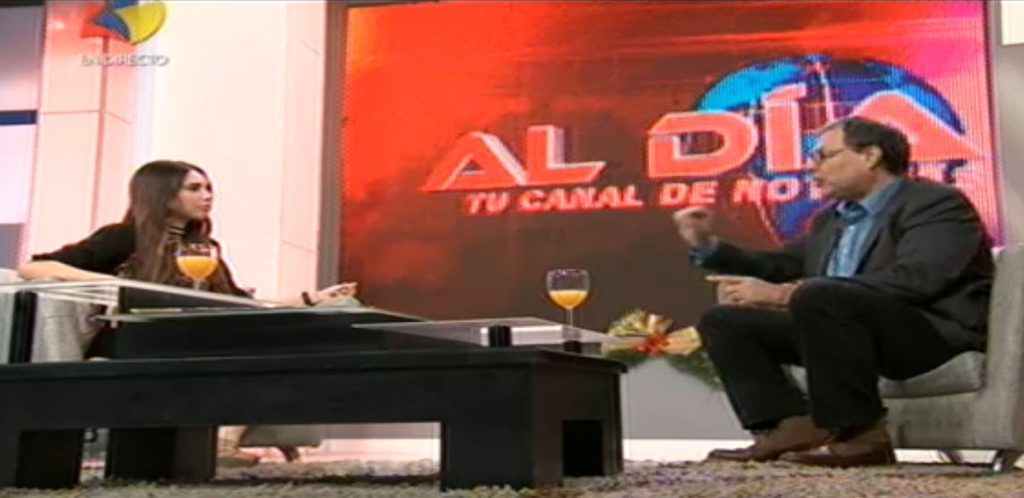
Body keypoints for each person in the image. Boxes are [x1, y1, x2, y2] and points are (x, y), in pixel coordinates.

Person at [671, 117, 993, 467]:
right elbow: (781, 264)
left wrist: (786, 295)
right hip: (841, 328)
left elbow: (920, 278)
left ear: (870, 156)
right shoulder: (830, 220)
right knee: (725, 320)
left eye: (823, 156)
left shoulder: (935, 204)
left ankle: (862, 436)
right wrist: (707, 245)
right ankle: (787, 425)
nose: (812, 168)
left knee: (820, 294)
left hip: (927, 334)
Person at [17, 160, 357, 468]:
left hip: (190, 337)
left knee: (271, 339)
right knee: (243, 344)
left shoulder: (204, 248)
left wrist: (310, 299)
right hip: (134, 340)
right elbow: (34, 267)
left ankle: (224, 440)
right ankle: (222, 441)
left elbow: (238, 302)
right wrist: (111, 282)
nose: (207, 196)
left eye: (209, 188)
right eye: (194, 188)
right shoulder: (123, 237)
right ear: (163, 194)